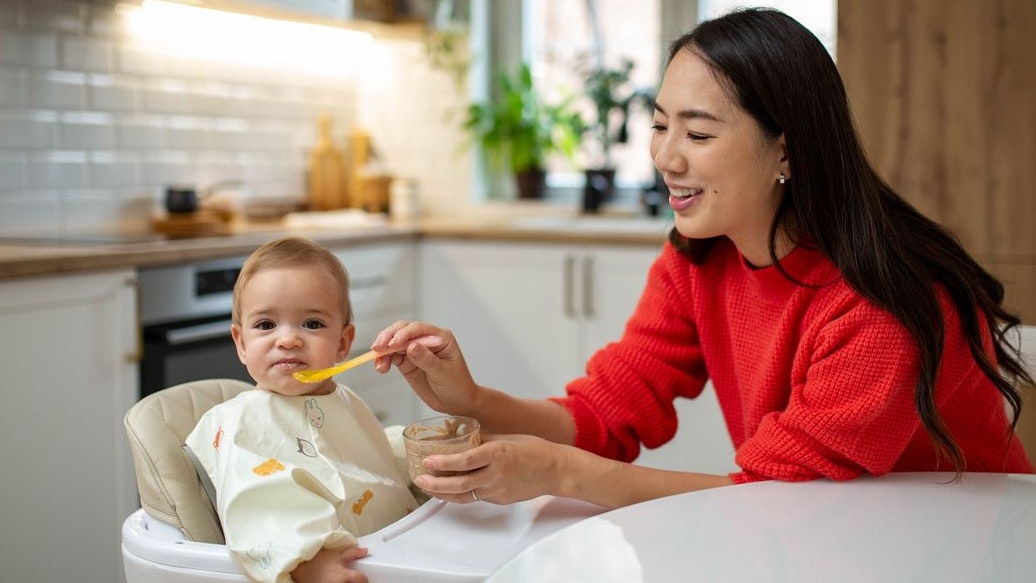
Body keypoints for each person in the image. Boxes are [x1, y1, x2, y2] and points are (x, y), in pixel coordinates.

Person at [371, 8, 1034, 510]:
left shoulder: (876, 305)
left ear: (786, 151)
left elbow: (778, 498)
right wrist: (474, 398)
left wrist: (560, 473)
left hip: (962, 539)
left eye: (698, 132)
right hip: (832, 530)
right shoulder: (699, 259)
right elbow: (607, 413)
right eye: (660, 124)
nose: (665, 155)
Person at [185, 236, 418, 583]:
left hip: (400, 550)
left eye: (312, 324)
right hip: (339, 567)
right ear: (241, 343)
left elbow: (369, 457)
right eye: (266, 325)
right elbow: (258, 500)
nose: (288, 339)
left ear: (343, 342)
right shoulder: (242, 422)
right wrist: (309, 561)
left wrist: (419, 454)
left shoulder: (346, 401)